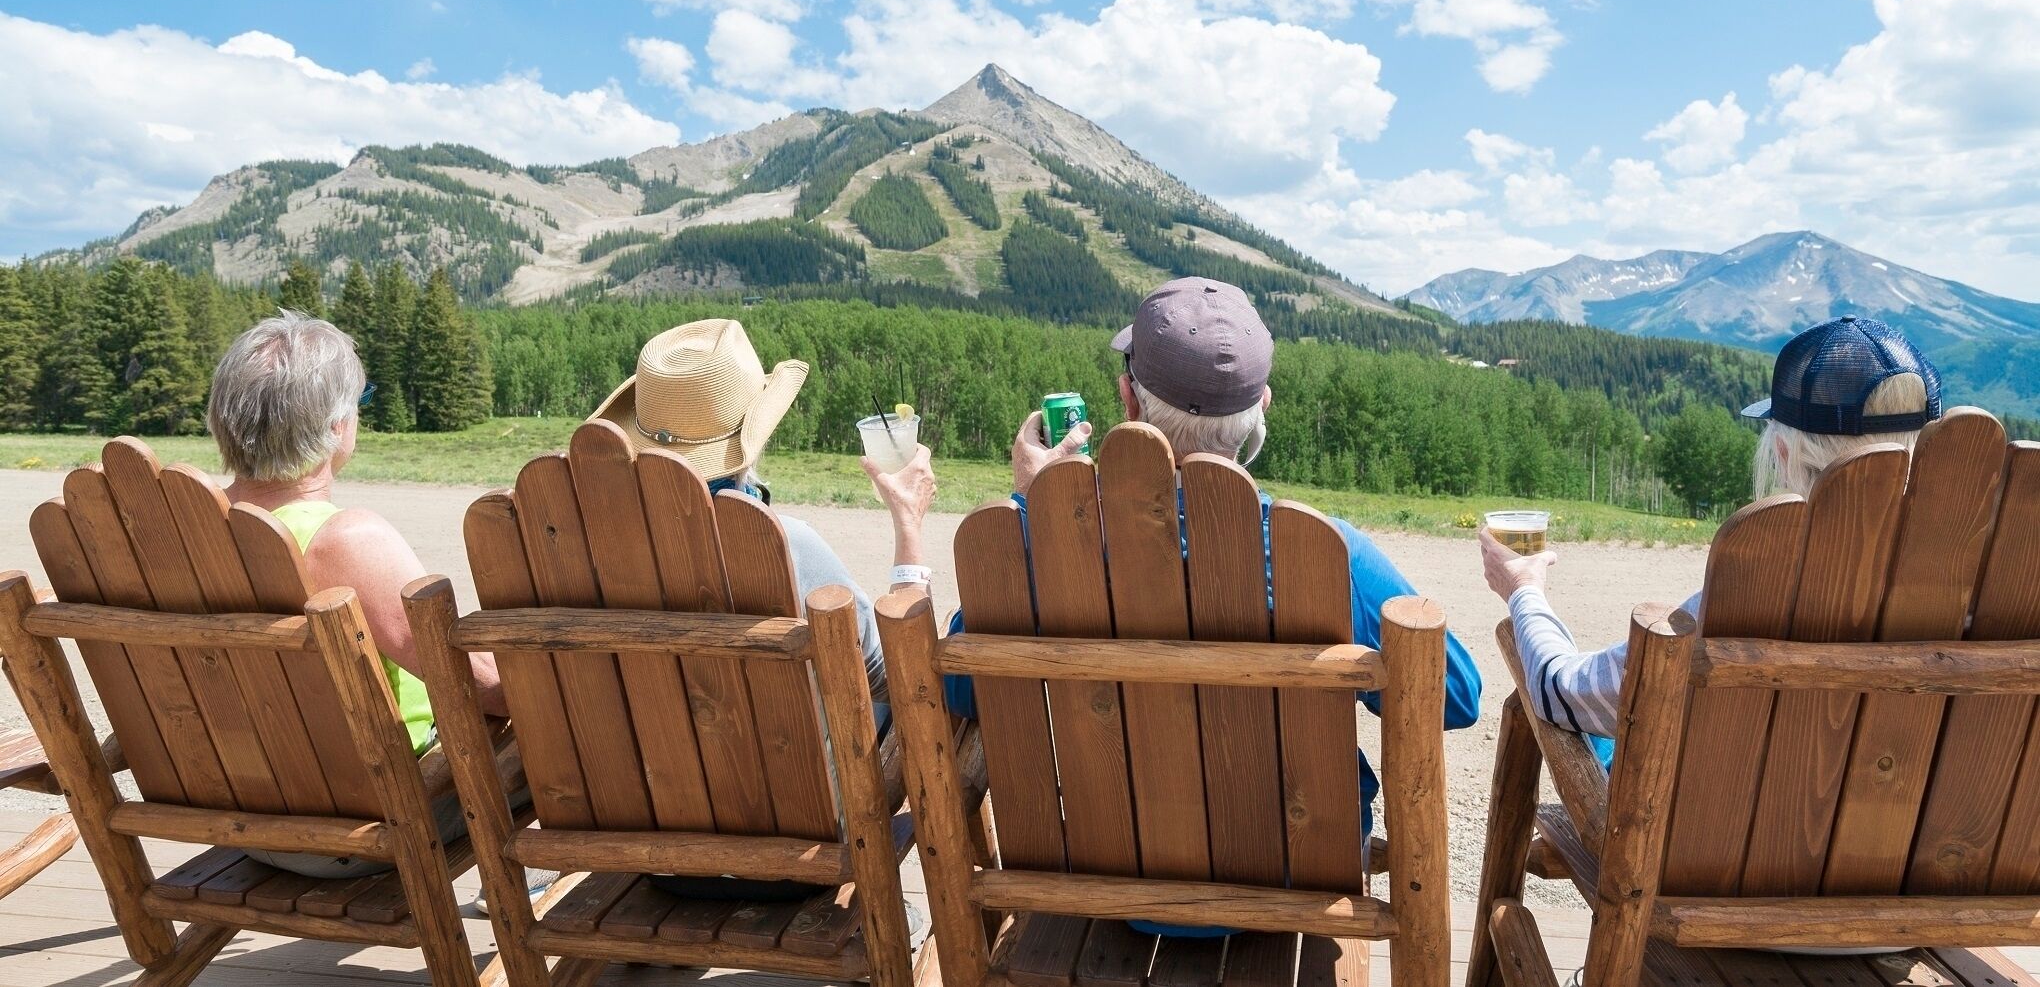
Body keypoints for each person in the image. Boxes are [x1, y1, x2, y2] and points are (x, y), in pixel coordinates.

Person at [947, 277, 1483, 932]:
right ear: (1263, 406)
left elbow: (961, 691)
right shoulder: (1322, 549)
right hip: (1297, 883)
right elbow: (1455, 696)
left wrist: (1036, 510)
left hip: (1106, 878)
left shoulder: (1058, 550)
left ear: (1128, 402)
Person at [1480, 315, 1943, 760]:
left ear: (1783, 451)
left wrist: (1525, 591)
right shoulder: (1985, 587)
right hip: (1944, 840)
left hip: (1723, 840)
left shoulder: (1755, 582)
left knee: (1601, 739)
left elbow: (1561, 694)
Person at [590, 318, 935, 908]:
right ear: (754, 431)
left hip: (647, 848)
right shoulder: (785, 544)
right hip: (794, 855)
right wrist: (908, 526)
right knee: (911, 697)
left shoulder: (584, 545)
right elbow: (901, 675)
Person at [207, 311, 504, 876]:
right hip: (370, 825)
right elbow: (482, 687)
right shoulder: (343, 540)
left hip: (237, 818)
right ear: (338, 424)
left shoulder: (189, 531)